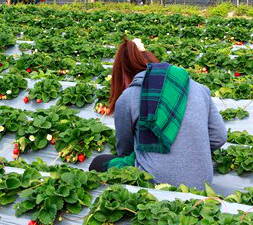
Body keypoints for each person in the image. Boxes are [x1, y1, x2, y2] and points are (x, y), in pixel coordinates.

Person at [88, 38, 227, 189]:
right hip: (202, 185)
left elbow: (125, 150)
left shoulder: (129, 96)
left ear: (126, 74)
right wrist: (191, 150)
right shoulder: (199, 88)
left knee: (98, 162)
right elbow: (219, 137)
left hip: (156, 184)